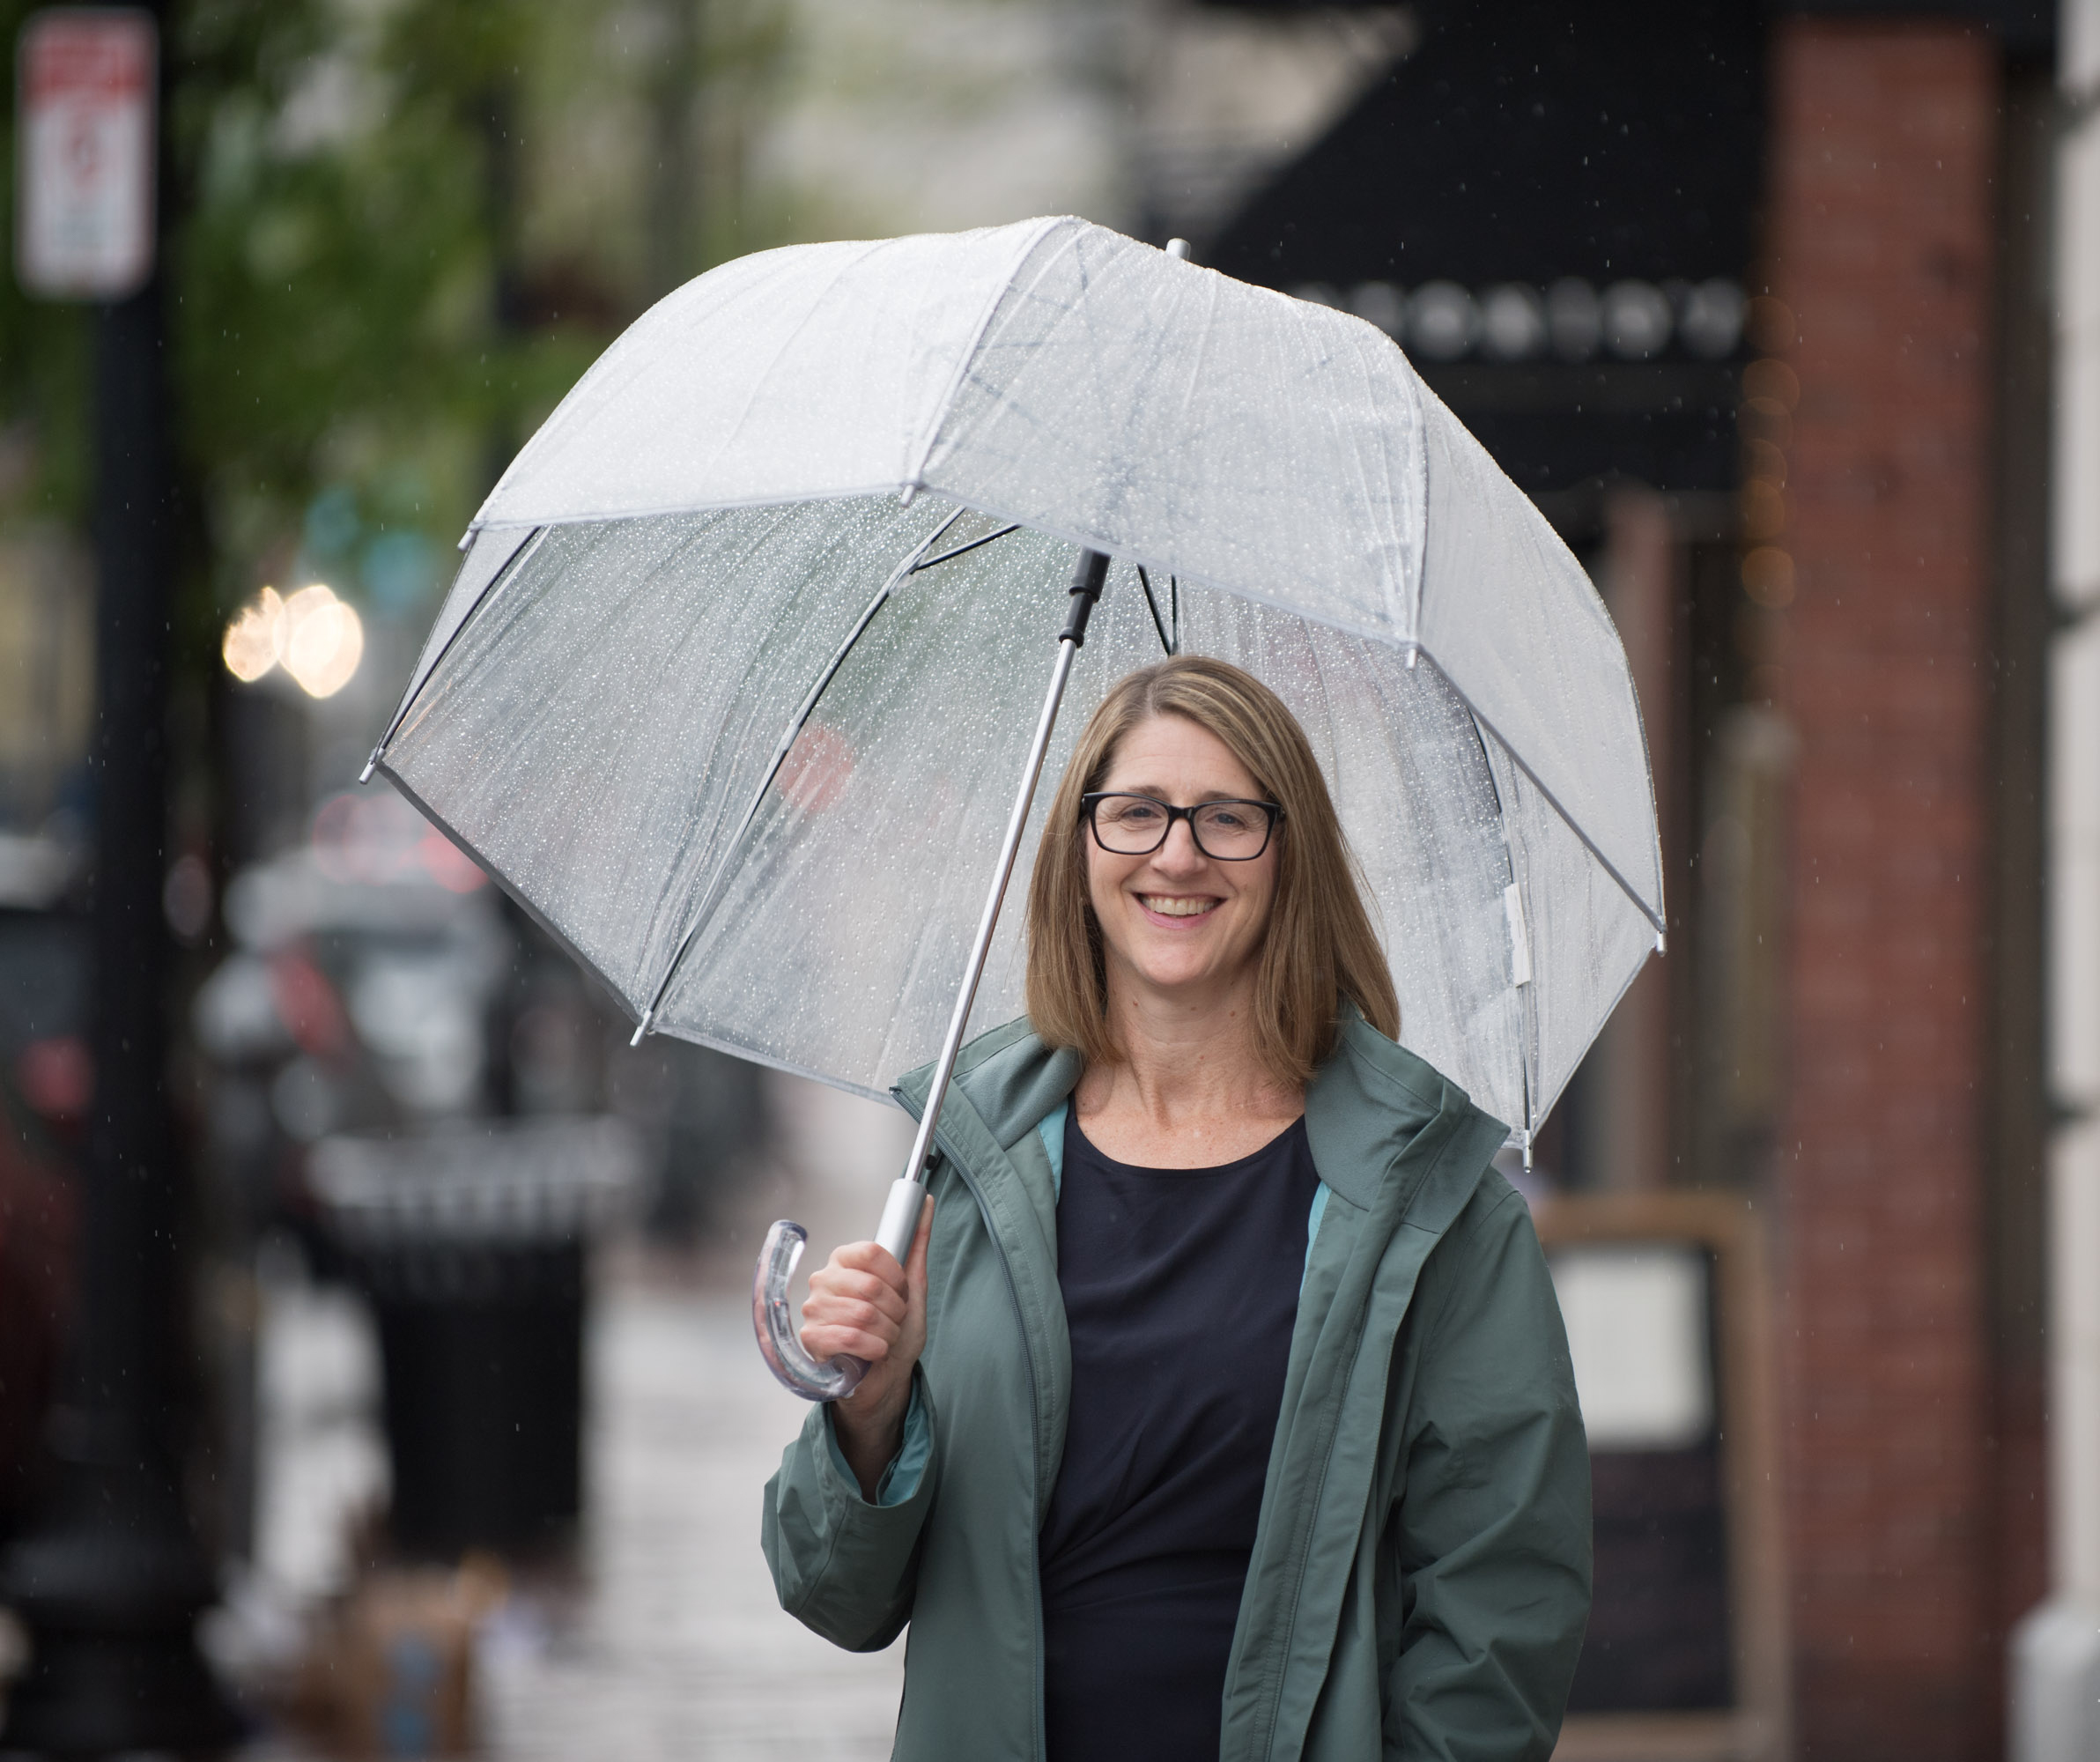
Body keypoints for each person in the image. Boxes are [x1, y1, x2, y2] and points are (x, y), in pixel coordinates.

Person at [763, 655, 1589, 1762]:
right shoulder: (966, 1168)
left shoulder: (1429, 1203)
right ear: (1078, 847)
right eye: (1136, 812)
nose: (1177, 852)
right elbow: (833, 1595)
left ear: (1288, 858)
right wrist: (870, 1412)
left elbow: (1502, 1599)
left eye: (1226, 817)